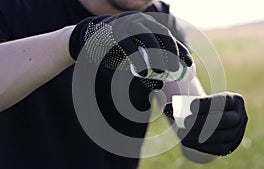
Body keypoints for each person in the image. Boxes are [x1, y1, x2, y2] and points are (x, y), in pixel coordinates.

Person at [0, 0, 248, 169]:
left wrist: (212, 129)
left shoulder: (160, 22)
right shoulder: (18, 7)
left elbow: (194, 143)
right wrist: (75, 40)